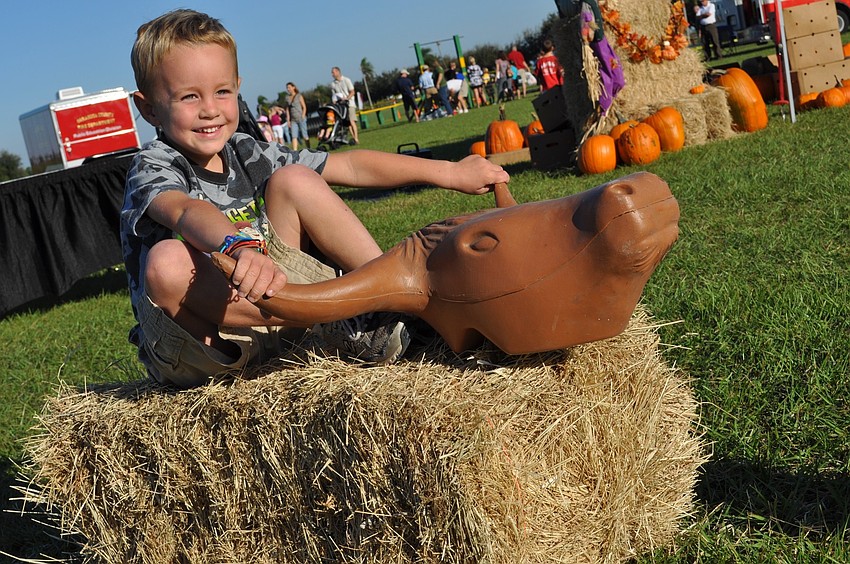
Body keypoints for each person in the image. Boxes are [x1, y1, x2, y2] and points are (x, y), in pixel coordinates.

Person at [122, 9, 510, 389]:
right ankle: (345, 312)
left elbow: (351, 168)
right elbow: (185, 209)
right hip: (205, 343)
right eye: (189, 96)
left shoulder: (246, 150)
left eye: (222, 91)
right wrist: (237, 246)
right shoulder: (153, 164)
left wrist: (448, 172)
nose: (210, 109)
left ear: (238, 87)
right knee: (166, 263)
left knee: (295, 179)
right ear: (149, 108)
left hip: (280, 311)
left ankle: (394, 304)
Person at [330, 66, 359, 144]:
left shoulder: (346, 80)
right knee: (347, 123)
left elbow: (352, 91)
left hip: (350, 104)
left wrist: (347, 98)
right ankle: (353, 138)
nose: (332, 74)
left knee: (352, 120)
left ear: (338, 72)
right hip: (341, 106)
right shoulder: (333, 84)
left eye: (333, 72)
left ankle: (356, 138)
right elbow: (334, 95)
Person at [286, 82, 310, 150]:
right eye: (287, 88)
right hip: (293, 120)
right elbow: (287, 109)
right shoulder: (287, 98)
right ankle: (295, 151)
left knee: (305, 135)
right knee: (294, 136)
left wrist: (303, 115)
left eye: (289, 87)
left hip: (301, 118)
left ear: (293, 87)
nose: (288, 89)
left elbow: (304, 107)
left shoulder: (299, 96)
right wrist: (288, 120)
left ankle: (309, 148)